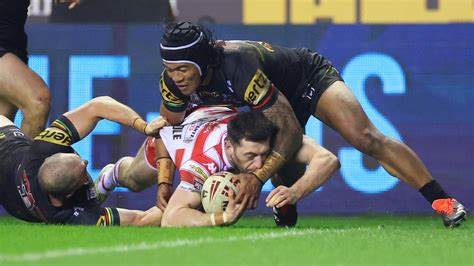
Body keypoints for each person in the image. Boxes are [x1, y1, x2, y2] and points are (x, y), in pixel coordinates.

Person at [156, 21, 466, 228]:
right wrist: (164, 182)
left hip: (306, 79)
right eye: (171, 69)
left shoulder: (237, 64)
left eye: (184, 68)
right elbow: (170, 132)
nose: (178, 77)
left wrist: (256, 178)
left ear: (202, 62)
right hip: (270, 105)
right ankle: (286, 209)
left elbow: (288, 127)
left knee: (366, 137)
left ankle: (443, 201)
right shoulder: (172, 83)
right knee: (284, 182)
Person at [97, 107, 340, 227]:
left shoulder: (268, 136)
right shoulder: (203, 162)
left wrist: (294, 192)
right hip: (174, 143)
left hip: (208, 117)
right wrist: (220, 218)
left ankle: (284, 207)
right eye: (250, 156)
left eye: (263, 155)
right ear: (230, 147)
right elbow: (171, 218)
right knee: (134, 180)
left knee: (283, 162)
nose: (258, 165)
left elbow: (328, 159)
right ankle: (110, 176)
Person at [0, 96, 168, 226]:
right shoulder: (72, 216)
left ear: (49, 158)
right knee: (91, 203)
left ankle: (106, 181)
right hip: (10, 187)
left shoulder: (44, 147)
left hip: (5, 145)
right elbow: (141, 219)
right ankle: (105, 183)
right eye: (81, 170)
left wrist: (143, 126)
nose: (85, 161)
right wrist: (184, 202)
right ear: (69, 194)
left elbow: (98, 106)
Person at [0, 0, 80, 138]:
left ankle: (18, 159)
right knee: (37, 101)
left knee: (4, 132)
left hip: (13, 44)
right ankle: (27, 160)